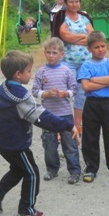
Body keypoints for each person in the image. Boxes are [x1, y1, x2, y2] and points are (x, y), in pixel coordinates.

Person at [0, 50, 80, 216]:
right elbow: (41, 117)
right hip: (15, 144)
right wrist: (68, 125)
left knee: (19, 169)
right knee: (32, 172)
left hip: (1, 141)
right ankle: (26, 209)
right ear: (19, 74)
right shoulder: (21, 97)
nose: (32, 74)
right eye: (29, 71)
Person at [77, 30, 109, 182]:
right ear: (89, 49)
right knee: (90, 137)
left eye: (103, 46)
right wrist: (101, 82)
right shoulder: (86, 65)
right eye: (97, 47)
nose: (100, 49)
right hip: (91, 104)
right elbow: (85, 86)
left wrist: (94, 80)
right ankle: (91, 168)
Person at [31, 38, 81, 185]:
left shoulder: (66, 71)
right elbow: (35, 90)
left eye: (55, 52)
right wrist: (45, 94)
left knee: (69, 143)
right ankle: (52, 169)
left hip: (65, 113)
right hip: (47, 115)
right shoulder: (42, 71)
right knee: (49, 144)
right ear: (44, 53)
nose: (51, 55)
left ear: (62, 54)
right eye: (48, 52)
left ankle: (75, 171)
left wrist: (65, 94)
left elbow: (74, 89)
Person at [53, 0, 94, 133]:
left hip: (85, 61)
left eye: (77, 1)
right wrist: (82, 38)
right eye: (71, 1)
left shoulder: (84, 18)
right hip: (68, 61)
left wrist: (75, 38)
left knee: (82, 92)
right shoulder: (62, 17)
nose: (74, 4)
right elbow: (64, 35)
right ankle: (61, 123)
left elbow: (92, 36)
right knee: (67, 89)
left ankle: (78, 124)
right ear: (66, 2)